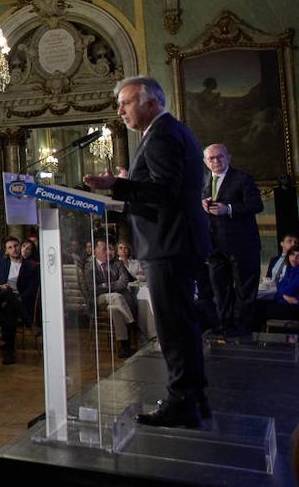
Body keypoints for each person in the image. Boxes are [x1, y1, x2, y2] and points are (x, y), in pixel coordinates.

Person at [85, 76, 213, 428]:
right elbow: (165, 187)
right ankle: (194, 396)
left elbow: (164, 192)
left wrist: (119, 185)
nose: (120, 110)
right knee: (181, 324)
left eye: (126, 103)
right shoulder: (170, 132)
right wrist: (127, 183)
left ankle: (181, 401)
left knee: (173, 326)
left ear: (150, 102)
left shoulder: (161, 136)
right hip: (175, 242)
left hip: (168, 244)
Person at [202, 143, 264, 335]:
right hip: (214, 247)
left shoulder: (242, 178)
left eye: (219, 157)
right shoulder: (204, 181)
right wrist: (202, 203)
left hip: (242, 245)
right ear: (205, 162)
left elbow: (256, 205)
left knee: (245, 291)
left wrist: (228, 209)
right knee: (220, 289)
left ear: (228, 157)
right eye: (211, 158)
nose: (216, 161)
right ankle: (225, 326)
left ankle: (243, 330)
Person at [84, 238, 138, 359]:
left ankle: (124, 346)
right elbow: (93, 289)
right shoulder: (89, 266)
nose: (108, 252)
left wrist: (104, 285)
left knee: (114, 309)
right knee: (117, 296)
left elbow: (123, 282)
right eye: (104, 249)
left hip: (115, 300)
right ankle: (132, 323)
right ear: (95, 252)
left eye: (108, 249)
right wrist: (113, 285)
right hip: (98, 299)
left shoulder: (117, 263)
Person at [0, 237, 39, 365]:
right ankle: (30, 323)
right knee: (7, 293)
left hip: (18, 302)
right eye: (10, 247)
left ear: (20, 246)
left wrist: (19, 299)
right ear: (6, 251)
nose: (14, 249)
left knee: (9, 309)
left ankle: (8, 353)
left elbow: (32, 289)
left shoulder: (31, 266)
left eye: (16, 246)